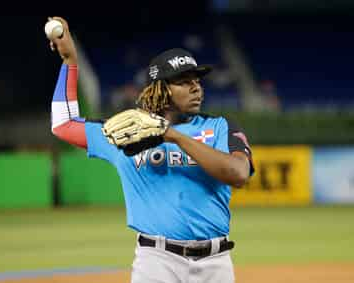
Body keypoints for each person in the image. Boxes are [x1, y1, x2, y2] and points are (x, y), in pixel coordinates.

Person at [47, 16, 254, 283]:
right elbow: (63, 124)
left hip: (216, 264)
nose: (196, 88)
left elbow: (239, 174)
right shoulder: (127, 131)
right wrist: (69, 62)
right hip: (157, 262)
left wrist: (174, 137)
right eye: (183, 81)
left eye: (197, 80)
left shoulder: (220, 127)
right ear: (160, 90)